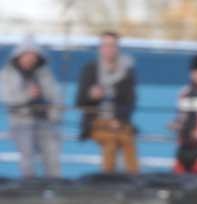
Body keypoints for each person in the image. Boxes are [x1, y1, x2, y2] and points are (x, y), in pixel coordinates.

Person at [75, 31, 138, 174]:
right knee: (111, 141)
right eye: (105, 45)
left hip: (119, 121)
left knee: (128, 141)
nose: (109, 49)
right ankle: (107, 180)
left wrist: (118, 119)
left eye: (112, 45)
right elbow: (79, 102)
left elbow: (131, 101)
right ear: (100, 48)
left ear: (117, 48)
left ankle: (134, 179)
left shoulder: (127, 71)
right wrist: (91, 96)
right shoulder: (90, 70)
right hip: (96, 121)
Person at [0, 36, 62, 177]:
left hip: (46, 122)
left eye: (33, 54)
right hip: (21, 122)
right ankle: (28, 188)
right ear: (19, 55)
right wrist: (27, 95)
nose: (30, 58)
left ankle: (53, 186)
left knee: (52, 155)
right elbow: (7, 99)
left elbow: (55, 96)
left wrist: (54, 115)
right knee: (27, 157)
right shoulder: (6, 74)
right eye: (27, 54)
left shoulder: (44, 72)